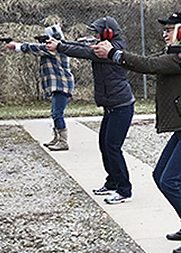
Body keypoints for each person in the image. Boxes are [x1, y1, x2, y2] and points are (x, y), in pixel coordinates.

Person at [91, 12, 181, 253]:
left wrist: (114, 54)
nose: (164, 33)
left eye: (170, 29)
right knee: (161, 175)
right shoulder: (178, 51)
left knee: (171, 181)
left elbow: (149, 65)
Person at [47, 17, 135, 204]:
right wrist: (60, 43)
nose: (94, 35)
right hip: (112, 106)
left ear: (108, 33)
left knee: (112, 147)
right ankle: (112, 182)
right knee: (104, 144)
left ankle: (124, 190)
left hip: (121, 106)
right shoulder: (104, 45)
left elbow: (83, 52)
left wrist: (60, 47)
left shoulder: (111, 49)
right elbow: (80, 46)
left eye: (97, 32)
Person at [6, 24, 73, 151]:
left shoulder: (56, 48)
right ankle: (57, 138)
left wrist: (17, 46)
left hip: (61, 85)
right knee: (55, 113)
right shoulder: (58, 47)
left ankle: (63, 141)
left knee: (57, 113)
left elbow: (35, 48)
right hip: (59, 85)